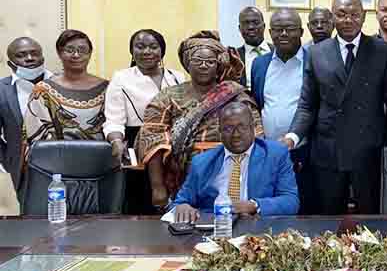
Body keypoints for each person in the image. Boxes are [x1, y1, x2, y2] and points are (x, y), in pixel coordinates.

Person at [282, 0, 387, 215]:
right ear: (332, 17)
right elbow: (307, 105)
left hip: (369, 151)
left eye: (354, 15)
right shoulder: (317, 52)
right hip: (328, 151)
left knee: (370, 219)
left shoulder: (382, 51)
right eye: (341, 14)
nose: (348, 20)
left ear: (363, 17)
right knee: (329, 219)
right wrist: (292, 136)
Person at [135, 31, 263, 208]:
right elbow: (152, 139)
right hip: (182, 175)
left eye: (210, 61)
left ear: (218, 65)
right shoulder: (168, 96)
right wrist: (158, 187)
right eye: (197, 60)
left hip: (229, 170)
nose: (204, 66)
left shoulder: (235, 95)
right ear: (188, 63)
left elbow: (256, 136)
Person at [172, 102, 298, 221]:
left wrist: (254, 205)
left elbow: (291, 201)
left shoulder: (275, 154)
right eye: (228, 129)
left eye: (242, 127)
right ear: (220, 132)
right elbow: (179, 202)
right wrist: (183, 207)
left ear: (253, 128)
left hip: (258, 227)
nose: (236, 135)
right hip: (215, 227)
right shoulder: (202, 162)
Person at [104, 29, 185, 214]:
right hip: (137, 143)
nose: (147, 51)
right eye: (140, 47)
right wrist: (116, 141)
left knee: (175, 198)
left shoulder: (176, 76)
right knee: (141, 201)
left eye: (153, 47)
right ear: (132, 51)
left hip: (173, 144)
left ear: (162, 51)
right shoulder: (121, 78)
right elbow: (114, 119)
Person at [251, 8, 313, 213]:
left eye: (290, 29)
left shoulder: (314, 60)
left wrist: (293, 138)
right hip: (268, 152)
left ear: (301, 32)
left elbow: (314, 106)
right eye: (278, 29)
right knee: (271, 207)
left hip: (305, 152)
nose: (283, 34)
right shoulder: (260, 64)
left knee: (304, 207)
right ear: (270, 32)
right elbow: (259, 103)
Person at [24, 30, 109, 143]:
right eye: (69, 50)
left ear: (90, 53)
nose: (76, 55)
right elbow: (35, 134)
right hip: (57, 153)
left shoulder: (108, 88)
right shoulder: (43, 90)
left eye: (82, 50)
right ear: (59, 53)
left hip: (103, 153)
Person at [1, 37, 52, 215]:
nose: (29, 58)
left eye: (34, 53)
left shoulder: (60, 83)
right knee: (31, 218)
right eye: (21, 55)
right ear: (10, 63)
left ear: (42, 57)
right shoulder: (2, 90)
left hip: (64, 163)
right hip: (24, 169)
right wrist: (8, 160)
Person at [234, 7, 273, 88]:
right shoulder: (234, 57)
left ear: (264, 26)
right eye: (246, 23)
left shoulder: (278, 52)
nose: (251, 27)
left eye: (255, 22)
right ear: (239, 28)